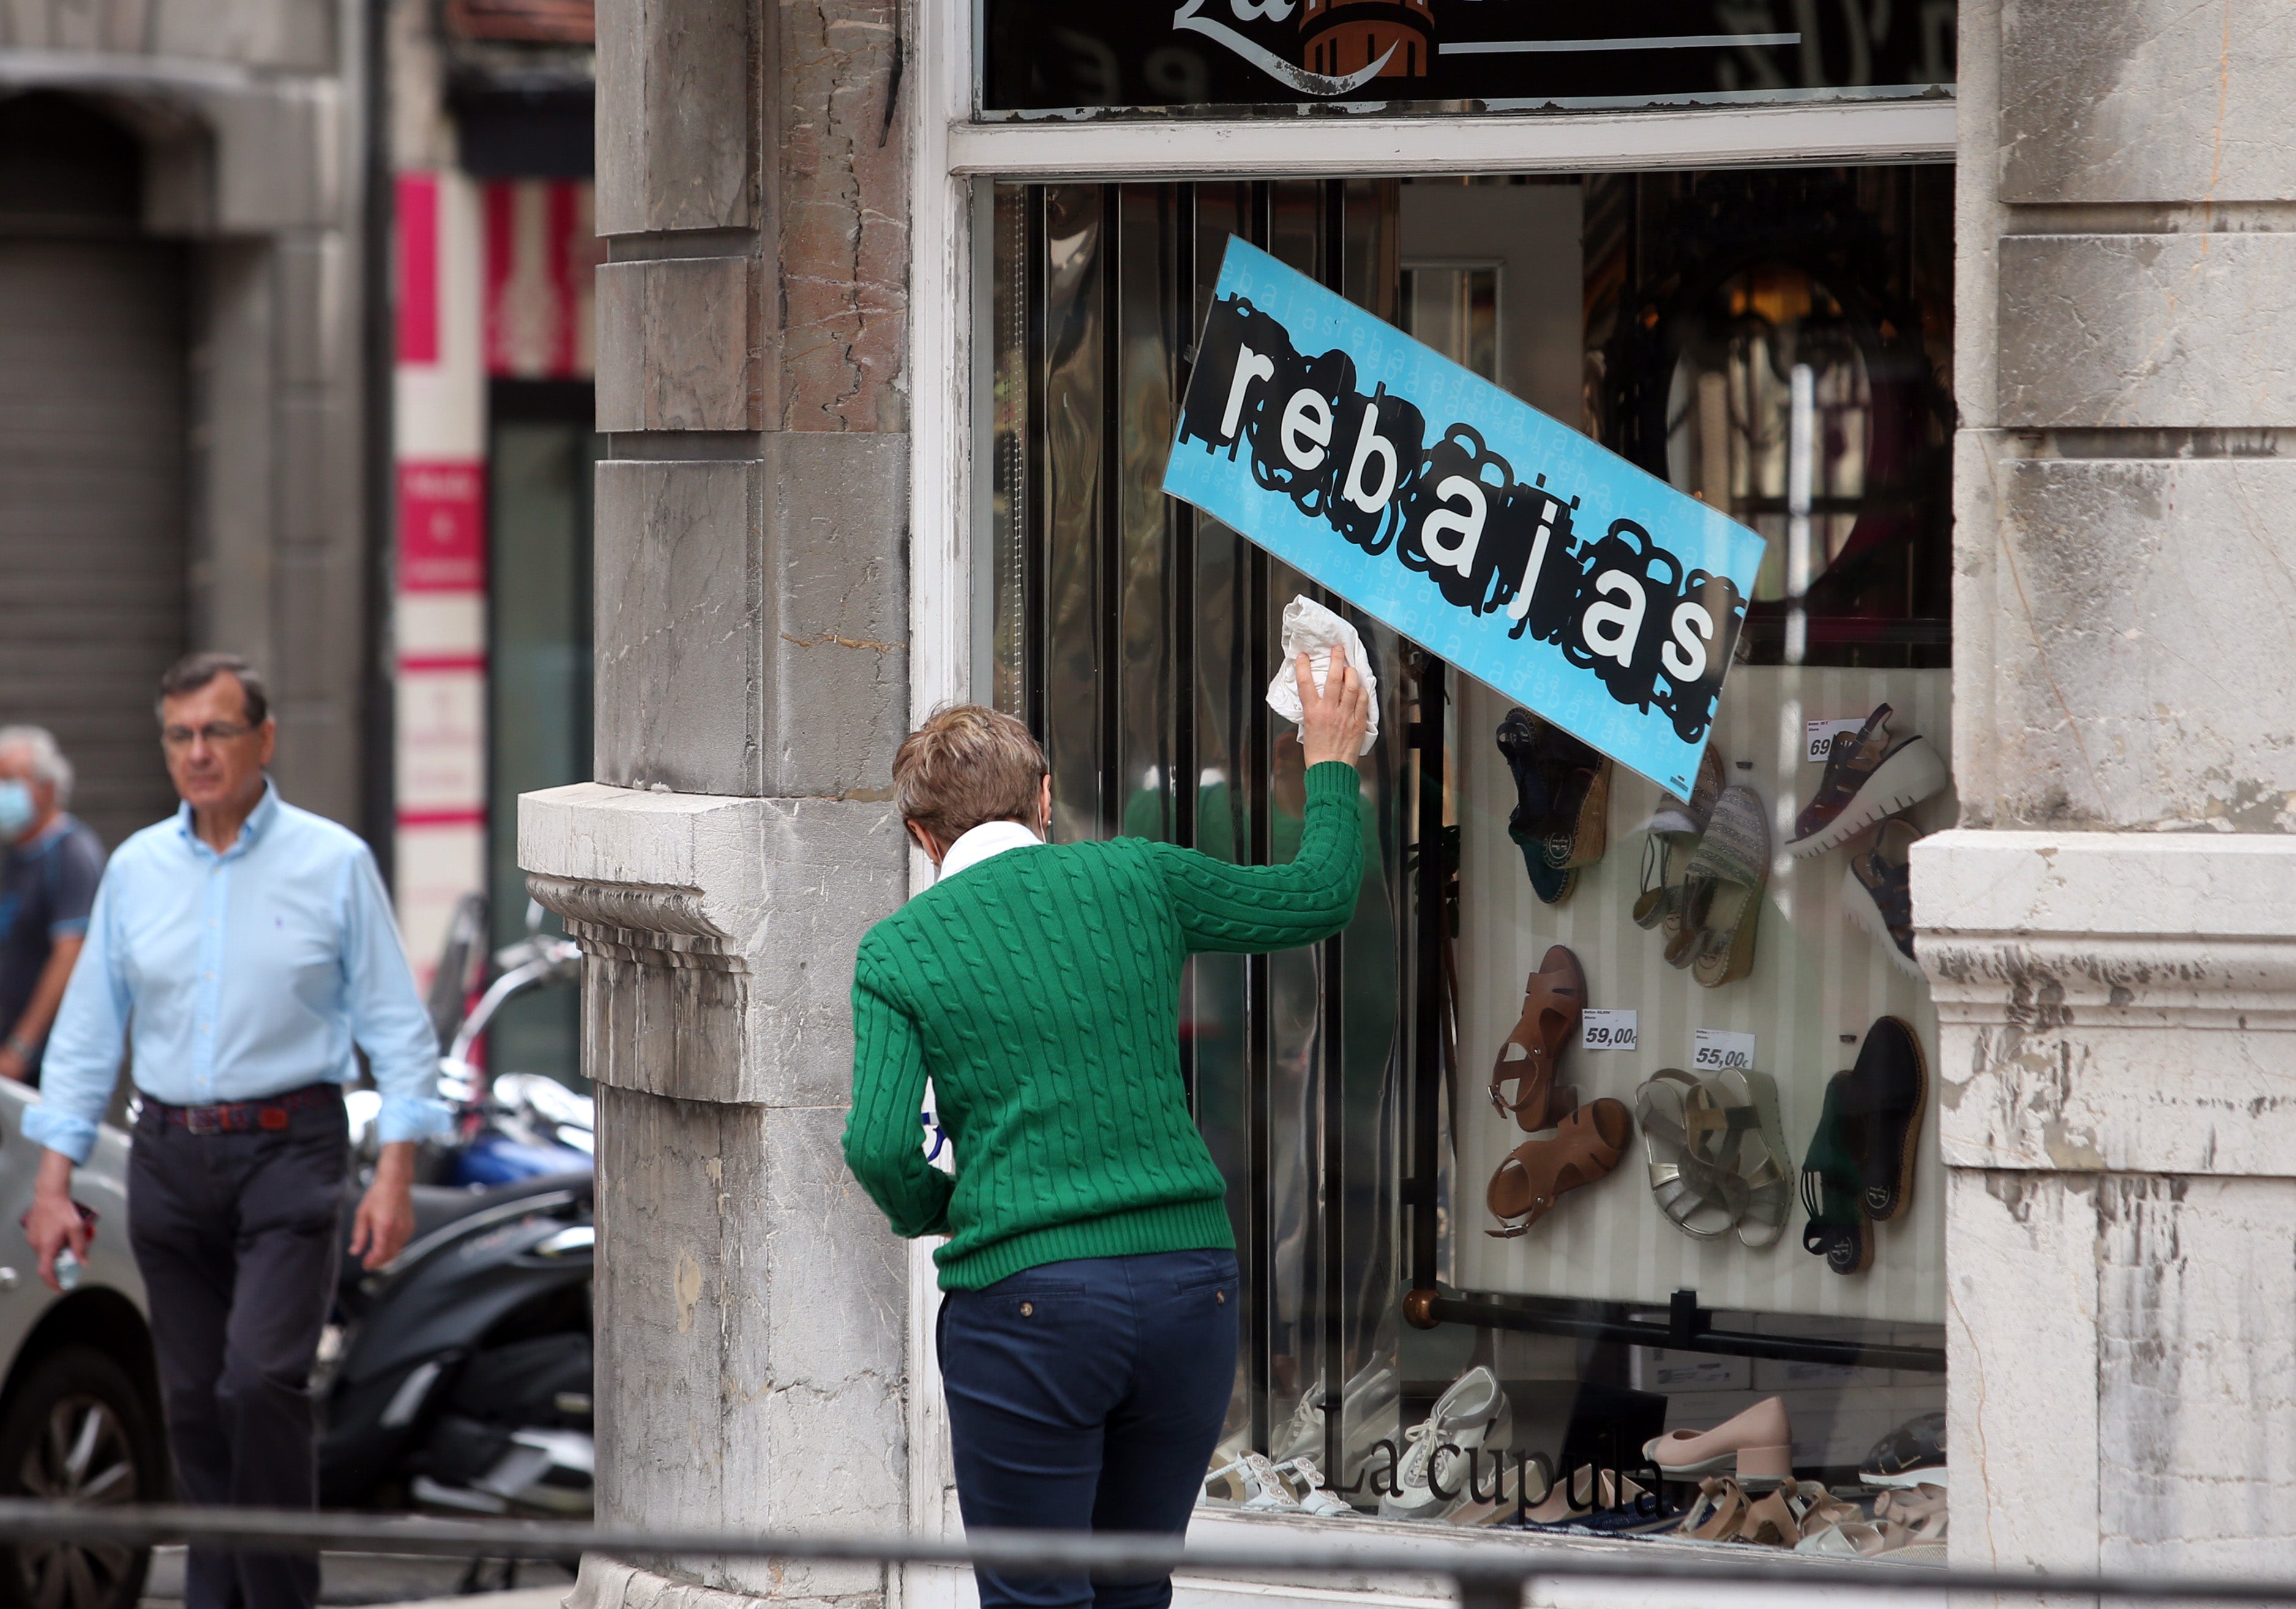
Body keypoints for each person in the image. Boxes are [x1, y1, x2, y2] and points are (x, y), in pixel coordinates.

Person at [844, 655, 1372, 1609]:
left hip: (1028, 1306)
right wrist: (1329, 757)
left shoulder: (899, 948)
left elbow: (879, 1148)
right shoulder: (1138, 875)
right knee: (1134, 1592)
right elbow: (1319, 893)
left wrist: (957, 1208)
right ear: (1043, 800)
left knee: (1036, 1600)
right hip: (1190, 1288)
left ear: (922, 837)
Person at [21, 652, 448, 1609]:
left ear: (265, 739)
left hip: (291, 1149)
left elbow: (393, 1025)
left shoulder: (332, 861)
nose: (198, 753)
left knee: (259, 1383)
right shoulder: (135, 869)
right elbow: (89, 1034)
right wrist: (54, 1183)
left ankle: (278, 1596)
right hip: (169, 1156)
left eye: (217, 731)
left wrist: (394, 1176)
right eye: (180, 735)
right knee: (193, 1402)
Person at [0, 726, 106, 1086]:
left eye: (9, 781)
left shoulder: (71, 854)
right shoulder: (15, 854)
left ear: (47, 787)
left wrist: (22, 1046)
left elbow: (70, 955)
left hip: (46, 1064)